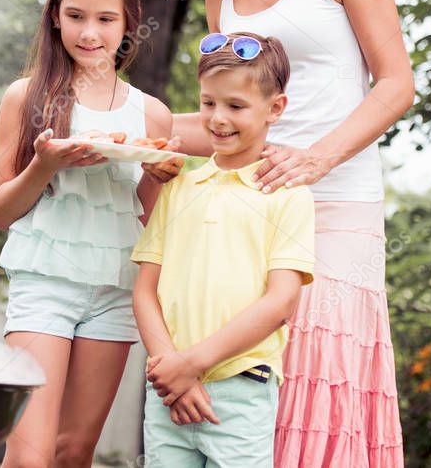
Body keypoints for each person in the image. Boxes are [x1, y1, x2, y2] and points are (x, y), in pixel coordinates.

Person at [151, 0, 414, 467]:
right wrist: (128, 130)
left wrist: (314, 158)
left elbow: (395, 83)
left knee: (319, 391)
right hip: (252, 215)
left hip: (337, 208)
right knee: (255, 397)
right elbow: (221, 120)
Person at [0, 0, 182, 468]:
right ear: (54, 14)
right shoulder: (24, 97)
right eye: (75, 16)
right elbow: (2, 212)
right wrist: (45, 165)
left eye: (105, 19)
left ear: (129, 23)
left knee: (72, 451)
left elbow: (142, 217)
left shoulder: (154, 115)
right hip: (44, 282)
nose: (89, 33)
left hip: (115, 289)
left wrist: (158, 178)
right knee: (29, 453)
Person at [133, 32, 315, 467]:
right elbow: (145, 291)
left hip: (241, 391)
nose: (217, 118)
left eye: (235, 106)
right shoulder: (177, 185)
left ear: (276, 109)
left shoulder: (288, 195)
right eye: (208, 103)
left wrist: (193, 365)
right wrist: (171, 369)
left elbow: (280, 302)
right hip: (167, 390)